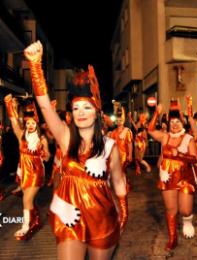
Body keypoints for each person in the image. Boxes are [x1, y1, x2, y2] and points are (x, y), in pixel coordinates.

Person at [24, 40, 128, 260]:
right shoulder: (65, 136)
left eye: (87, 107)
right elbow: (44, 106)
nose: (81, 112)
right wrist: (35, 65)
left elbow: (118, 181)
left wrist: (123, 208)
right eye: (76, 107)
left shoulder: (110, 147)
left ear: (97, 111)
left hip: (102, 215)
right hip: (69, 213)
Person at [148, 100, 197, 251]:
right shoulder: (165, 137)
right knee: (171, 210)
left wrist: (180, 155)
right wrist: (156, 113)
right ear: (168, 123)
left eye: (177, 121)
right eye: (172, 122)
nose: (175, 124)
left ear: (182, 123)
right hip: (168, 177)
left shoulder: (188, 138)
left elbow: (195, 159)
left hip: (185, 178)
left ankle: (187, 221)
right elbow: (150, 130)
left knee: (185, 211)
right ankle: (173, 238)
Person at [4, 96, 50, 240]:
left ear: (37, 123)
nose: (30, 125)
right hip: (24, 171)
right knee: (28, 199)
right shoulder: (21, 136)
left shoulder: (42, 139)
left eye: (33, 123)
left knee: (27, 199)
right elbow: (13, 121)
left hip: (36, 171)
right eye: (28, 122)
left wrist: (43, 153)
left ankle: (25, 226)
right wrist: (8, 104)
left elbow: (48, 156)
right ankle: (34, 219)